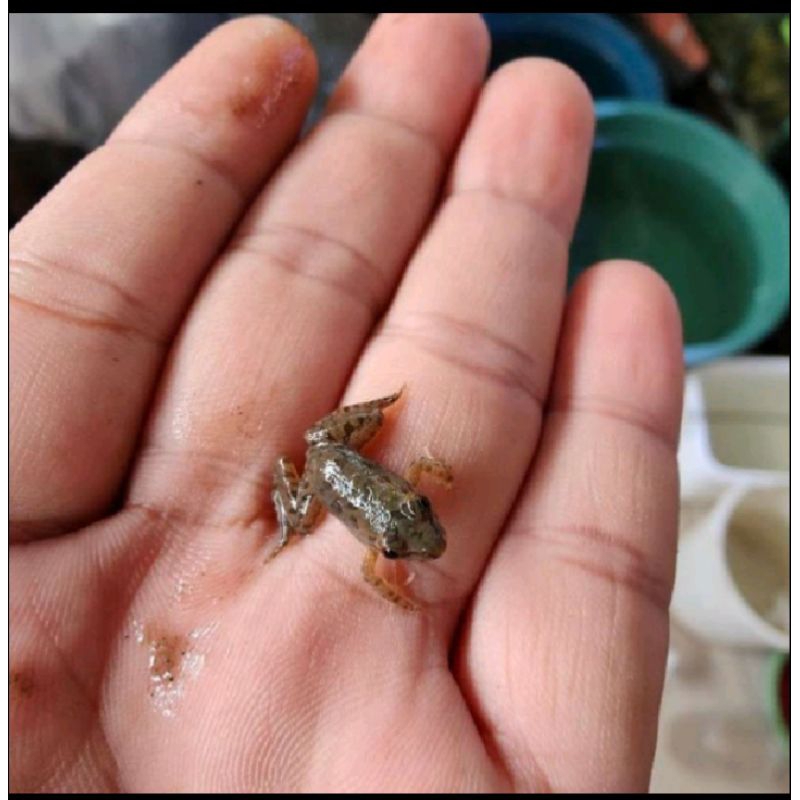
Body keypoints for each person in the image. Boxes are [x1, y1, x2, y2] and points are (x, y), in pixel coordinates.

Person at [10, 14, 683, 793]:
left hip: (338, 460)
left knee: (329, 465)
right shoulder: (376, 545)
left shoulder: (394, 522)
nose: (420, 528)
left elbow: (420, 484)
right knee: (300, 510)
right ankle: (305, 486)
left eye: (414, 520)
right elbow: (380, 566)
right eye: (410, 531)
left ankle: (332, 458)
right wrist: (395, 571)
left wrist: (426, 485)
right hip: (328, 466)